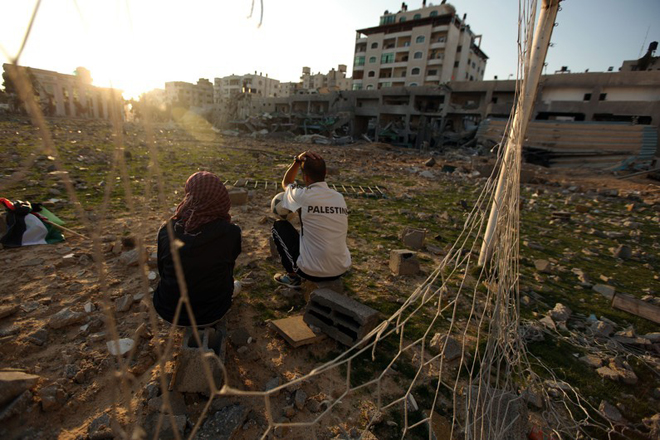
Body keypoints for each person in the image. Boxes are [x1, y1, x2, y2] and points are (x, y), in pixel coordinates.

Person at [153, 171, 241, 326]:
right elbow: (229, 264)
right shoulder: (231, 233)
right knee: (234, 283)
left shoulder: (166, 230)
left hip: (168, 311)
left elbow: (162, 268)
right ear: (220, 197)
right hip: (213, 313)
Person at [272, 151, 351, 288]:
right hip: (341, 268)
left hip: (312, 271)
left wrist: (297, 160)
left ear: (306, 177)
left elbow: (286, 182)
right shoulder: (339, 197)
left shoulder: (303, 195)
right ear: (325, 172)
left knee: (279, 226)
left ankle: (292, 276)